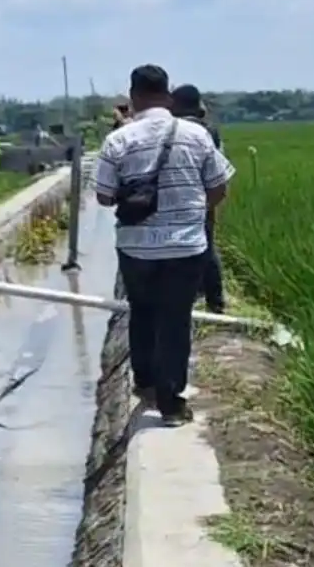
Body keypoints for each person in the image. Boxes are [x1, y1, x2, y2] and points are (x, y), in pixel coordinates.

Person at [96, 65, 234, 427]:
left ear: (134, 96)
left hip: (136, 247)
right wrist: (191, 213)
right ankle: (171, 406)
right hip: (186, 247)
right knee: (175, 318)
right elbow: (219, 187)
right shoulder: (197, 135)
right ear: (168, 95)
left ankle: (144, 383)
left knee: (141, 311)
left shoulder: (119, 139)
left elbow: (104, 196)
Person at [171, 83, 226, 314]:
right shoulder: (209, 130)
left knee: (181, 248)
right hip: (204, 195)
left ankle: (191, 296)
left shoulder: (175, 129)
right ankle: (215, 300)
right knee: (207, 245)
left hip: (180, 197)